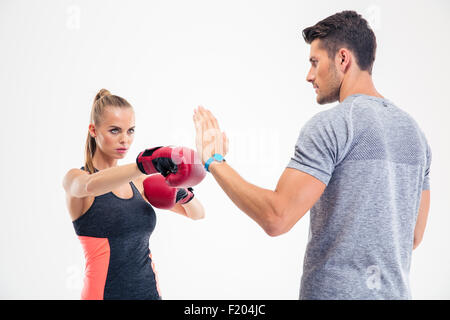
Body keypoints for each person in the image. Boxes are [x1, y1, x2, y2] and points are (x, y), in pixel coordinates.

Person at [193, 10, 431, 299]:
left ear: (343, 59)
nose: (309, 75)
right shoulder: (415, 134)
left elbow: (276, 217)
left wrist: (214, 161)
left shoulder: (334, 125)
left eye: (314, 62)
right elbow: (413, 236)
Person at [62, 89, 206, 300]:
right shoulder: (76, 178)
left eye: (130, 131)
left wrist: (182, 192)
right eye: (114, 131)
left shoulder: (139, 182)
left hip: (149, 293)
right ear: (93, 130)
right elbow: (92, 185)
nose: (124, 140)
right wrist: (144, 164)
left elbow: (198, 214)